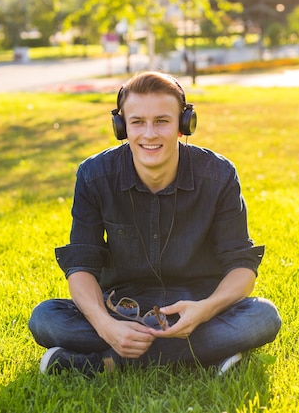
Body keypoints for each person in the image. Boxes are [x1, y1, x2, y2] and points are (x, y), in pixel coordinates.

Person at [29, 71, 281, 376]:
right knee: (46, 318)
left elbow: (241, 266)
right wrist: (107, 327)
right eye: (137, 122)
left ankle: (108, 364)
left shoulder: (219, 174)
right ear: (122, 127)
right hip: (122, 310)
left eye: (162, 121)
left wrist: (205, 310)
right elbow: (81, 265)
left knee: (263, 317)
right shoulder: (94, 175)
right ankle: (208, 355)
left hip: (198, 311)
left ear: (183, 125)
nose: (149, 134)